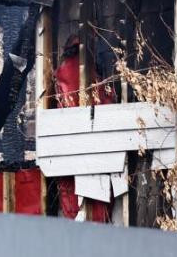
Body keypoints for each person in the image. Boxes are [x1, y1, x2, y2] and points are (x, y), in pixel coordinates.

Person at [54, 35, 115, 223]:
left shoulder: (61, 72)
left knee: (73, 204)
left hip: (68, 149)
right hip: (95, 147)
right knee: (97, 207)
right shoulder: (91, 74)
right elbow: (108, 102)